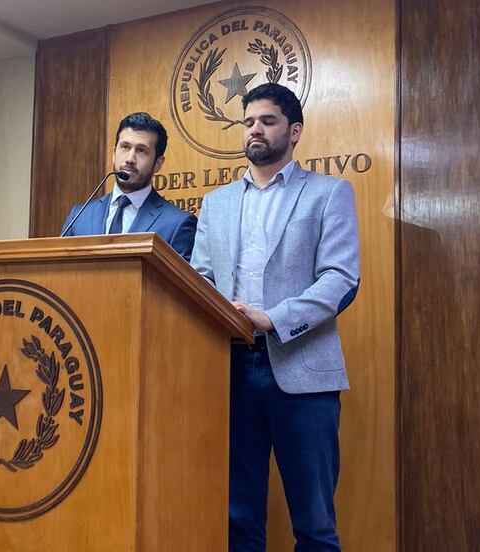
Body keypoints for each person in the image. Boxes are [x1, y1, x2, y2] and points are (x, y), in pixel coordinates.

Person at [190, 83, 360, 551]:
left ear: (295, 130)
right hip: (231, 372)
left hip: (304, 374)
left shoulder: (329, 193)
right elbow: (200, 279)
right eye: (248, 122)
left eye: (267, 121)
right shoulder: (216, 203)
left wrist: (272, 318)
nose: (255, 130)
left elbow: (340, 279)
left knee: (314, 523)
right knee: (238, 517)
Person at [61, 112, 197, 261]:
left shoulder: (177, 224)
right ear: (114, 153)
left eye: (141, 151)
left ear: (158, 163)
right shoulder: (80, 216)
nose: (130, 159)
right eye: (125, 147)